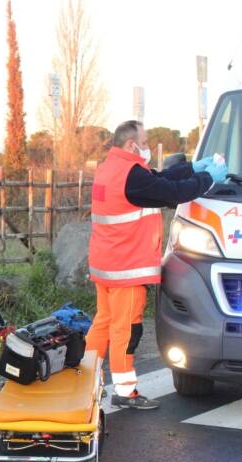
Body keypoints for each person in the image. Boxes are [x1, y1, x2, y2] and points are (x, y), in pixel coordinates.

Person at [87, 120, 225, 409]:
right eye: (145, 142)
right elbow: (171, 192)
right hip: (127, 269)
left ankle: (85, 381)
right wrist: (208, 180)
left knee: (103, 324)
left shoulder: (112, 169)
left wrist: (193, 168)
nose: (148, 146)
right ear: (131, 145)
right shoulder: (132, 175)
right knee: (126, 331)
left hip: (106, 264)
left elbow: (158, 179)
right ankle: (125, 392)